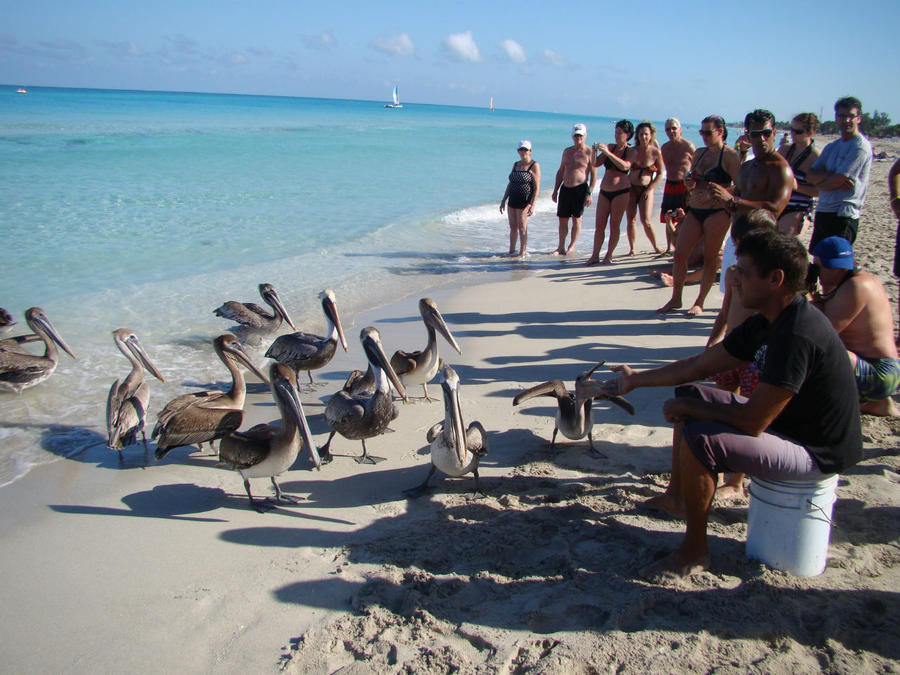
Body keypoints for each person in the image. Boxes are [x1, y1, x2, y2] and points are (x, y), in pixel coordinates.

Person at [577, 229, 862, 580]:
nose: (734, 279)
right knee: (689, 395)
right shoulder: (769, 321)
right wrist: (636, 380)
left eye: (742, 271)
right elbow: (700, 365)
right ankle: (678, 499)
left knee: (703, 437)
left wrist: (694, 413)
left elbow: (754, 421)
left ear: (776, 279)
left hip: (817, 452)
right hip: (791, 429)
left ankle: (695, 551)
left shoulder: (797, 333)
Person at [706, 209, 777, 501]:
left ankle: (736, 480)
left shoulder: (771, 278)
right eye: (736, 243)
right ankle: (721, 468)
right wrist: (712, 342)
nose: (738, 249)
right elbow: (725, 312)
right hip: (730, 350)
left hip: (755, 357)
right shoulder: (736, 273)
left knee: (747, 415)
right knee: (719, 410)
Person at [658, 115, 740, 315]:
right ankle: (676, 299)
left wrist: (723, 191)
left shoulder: (729, 156)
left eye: (708, 132)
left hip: (717, 211)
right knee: (680, 253)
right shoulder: (700, 153)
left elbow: (741, 186)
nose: (703, 136)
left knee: (710, 257)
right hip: (696, 208)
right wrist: (690, 183)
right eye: (701, 132)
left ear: (720, 132)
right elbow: (693, 177)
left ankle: (699, 301)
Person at [812, 236, 900, 416]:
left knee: (821, 353)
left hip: (879, 373)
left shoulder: (855, 286)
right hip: (882, 370)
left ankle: (869, 401)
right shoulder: (852, 280)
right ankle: (875, 403)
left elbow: (823, 332)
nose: (819, 273)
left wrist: (806, 294)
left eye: (820, 268)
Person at [806, 96, 873, 253]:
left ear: (859, 118)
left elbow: (837, 180)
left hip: (843, 214)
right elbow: (810, 174)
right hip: (824, 210)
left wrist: (825, 182)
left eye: (851, 116)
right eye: (842, 116)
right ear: (836, 118)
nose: (846, 120)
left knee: (836, 263)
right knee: (818, 259)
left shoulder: (860, 147)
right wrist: (830, 177)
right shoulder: (832, 147)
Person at [711, 109, 793, 219]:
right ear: (748, 136)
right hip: (739, 232)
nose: (761, 139)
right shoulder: (746, 167)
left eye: (766, 133)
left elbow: (775, 209)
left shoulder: (780, 168)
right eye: (755, 134)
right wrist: (719, 195)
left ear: (774, 133)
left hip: (761, 234)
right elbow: (735, 203)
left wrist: (733, 201)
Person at [586, 120, 634, 265]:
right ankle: (595, 255)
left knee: (614, 224)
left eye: (620, 133)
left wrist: (607, 152)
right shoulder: (611, 147)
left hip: (621, 192)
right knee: (599, 225)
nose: (616, 135)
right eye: (615, 132)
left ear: (628, 135)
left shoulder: (631, 151)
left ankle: (609, 254)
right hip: (605, 191)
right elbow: (595, 163)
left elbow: (625, 166)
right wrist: (594, 152)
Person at [552, 123, 596, 256]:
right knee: (562, 219)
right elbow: (561, 171)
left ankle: (572, 246)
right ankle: (561, 246)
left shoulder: (590, 152)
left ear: (585, 136)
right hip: (566, 188)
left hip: (580, 189)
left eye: (581, 135)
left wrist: (589, 193)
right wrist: (555, 190)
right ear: (572, 136)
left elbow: (593, 175)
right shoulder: (567, 151)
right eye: (576, 135)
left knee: (577, 219)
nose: (578, 138)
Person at [776, 113, 821, 236]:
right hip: (777, 202)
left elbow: (819, 191)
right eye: (792, 130)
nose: (793, 134)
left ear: (810, 132)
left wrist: (796, 186)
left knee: (784, 242)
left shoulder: (816, 157)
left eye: (798, 131)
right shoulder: (784, 150)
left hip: (799, 206)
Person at [625, 121, 664, 255]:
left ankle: (656, 246)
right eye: (641, 134)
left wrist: (650, 188)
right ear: (637, 135)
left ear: (651, 135)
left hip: (646, 188)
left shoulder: (655, 152)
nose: (644, 137)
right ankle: (632, 248)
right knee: (631, 219)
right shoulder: (632, 151)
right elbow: (624, 168)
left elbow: (660, 173)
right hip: (631, 188)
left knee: (646, 220)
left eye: (646, 134)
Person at [659, 118, 695, 254]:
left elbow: (697, 167)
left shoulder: (689, 146)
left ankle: (685, 245)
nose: (671, 131)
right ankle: (669, 247)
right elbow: (659, 166)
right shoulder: (665, 148)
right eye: (668, 129)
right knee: (668, 217)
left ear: (680, 129)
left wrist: (693, 184)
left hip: (684, 186)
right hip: (669, 184)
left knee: (684, 216)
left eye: (674, 128)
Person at [500, 140, 541, 258]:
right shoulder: (515, 164)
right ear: (518, 151)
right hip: (512, 200)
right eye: (521, 150)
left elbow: (537, 187)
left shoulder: (534, 165)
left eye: (526, 150)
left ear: (530, 151)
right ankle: (511, 251)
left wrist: (532, 204)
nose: (523, 152)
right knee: (513, 227)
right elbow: (510, 183)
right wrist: (504, 200)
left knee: (522, 227)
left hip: (525, 201)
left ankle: (522, 252)